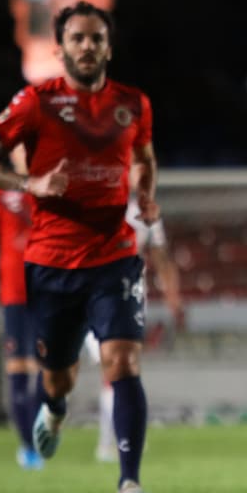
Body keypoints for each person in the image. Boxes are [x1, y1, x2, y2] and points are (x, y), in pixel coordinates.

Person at [0, 0, 160, 493]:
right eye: (77, 37)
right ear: (60, 48)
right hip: (52, 264)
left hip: (115, 256)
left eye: (96, 38)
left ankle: (129, 484)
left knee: (123, 360)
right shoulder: (35, 103)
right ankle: (55, 407)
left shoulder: (133, 104)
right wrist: (30, 182)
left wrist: (145, 193)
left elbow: (144, 159)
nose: (87, 46)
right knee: (58, 375)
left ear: (108, 46)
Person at [86, 183, 183, 463]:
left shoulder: (146, 211)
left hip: (132, 296)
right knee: (113, 370)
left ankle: (116, 440)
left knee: (123, 370)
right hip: (97, 296)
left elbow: (162, 259)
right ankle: (113, 441)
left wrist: (173, 299)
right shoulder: (94, 203)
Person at [0, 145, 42, 470]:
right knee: (18, 370)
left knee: (51, 372)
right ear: (10, 155)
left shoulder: (50, 188)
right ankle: (30, 448)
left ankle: (41, 439)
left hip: (51, 294)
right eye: (19, 147)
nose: (25, 153)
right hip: (15, 297)